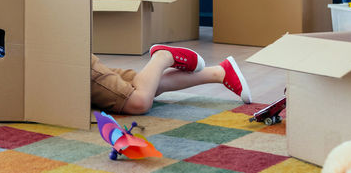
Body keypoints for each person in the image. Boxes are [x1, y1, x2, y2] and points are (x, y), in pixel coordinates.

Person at [91, 44, 252, 115]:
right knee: (144, 84)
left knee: (138, 101)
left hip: (76, 66)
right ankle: (219, 72)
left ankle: (163, 56)